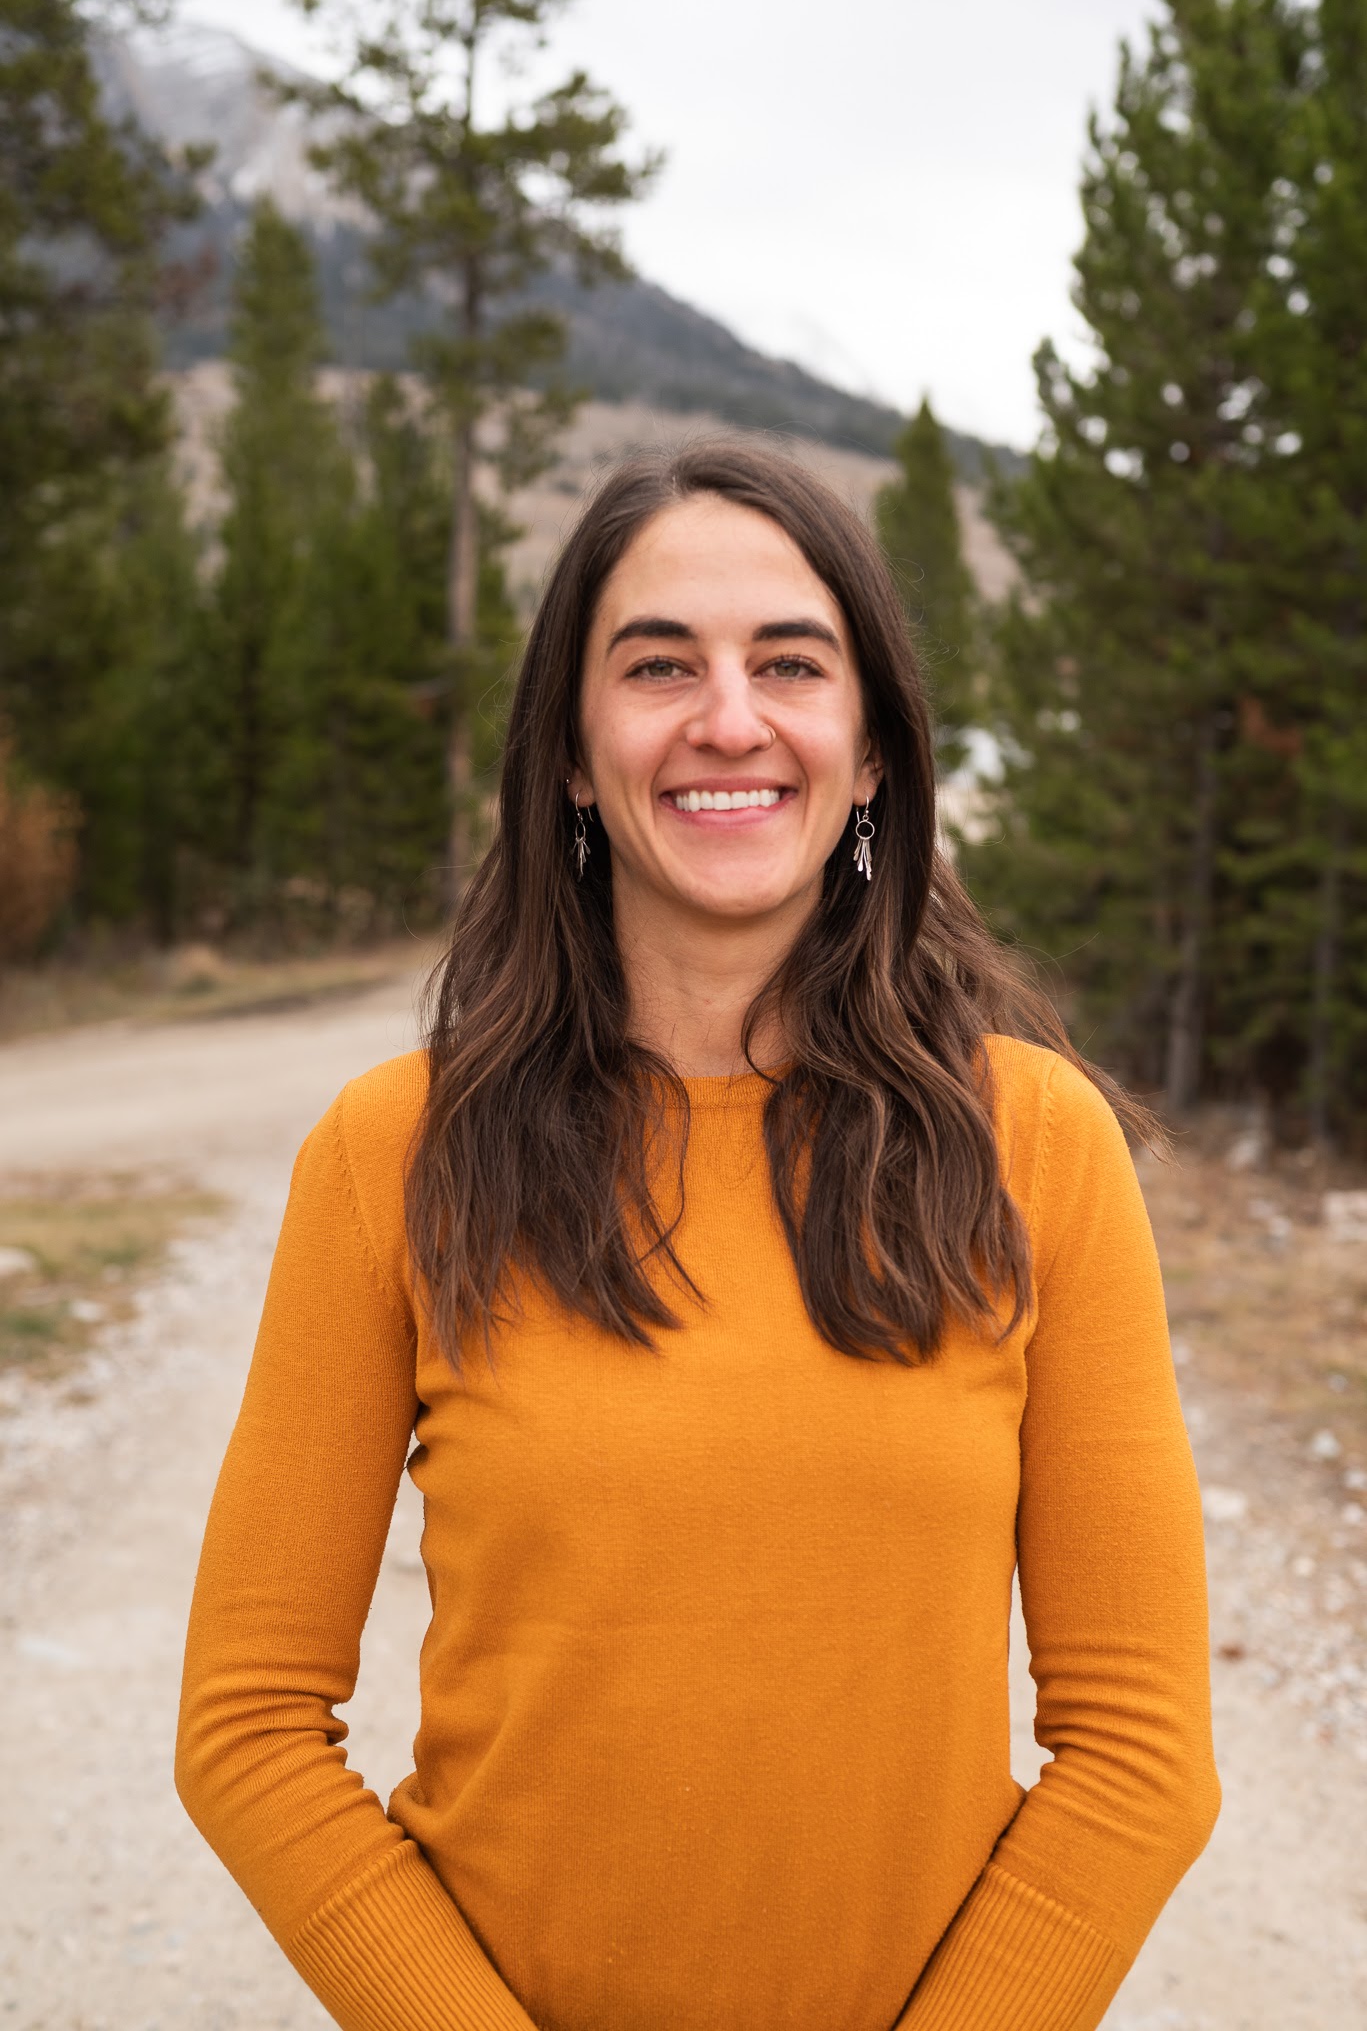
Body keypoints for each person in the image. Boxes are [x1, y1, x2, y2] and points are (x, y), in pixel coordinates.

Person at [175, 440, 1219, 2031]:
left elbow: (1142, 1747)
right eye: (659, 665)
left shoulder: (1040, 1147)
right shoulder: (393, 1154)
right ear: (577, 757)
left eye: (790, 663)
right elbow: (248, 1726)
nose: (729, 718)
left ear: (869, 753)